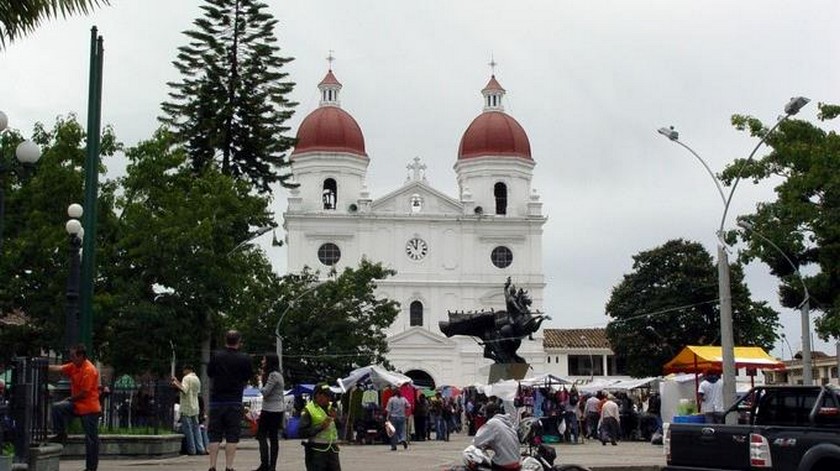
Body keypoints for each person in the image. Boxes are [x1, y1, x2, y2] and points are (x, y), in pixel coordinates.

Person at [48, 343, 101, 471]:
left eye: (73, 355)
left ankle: (91, 468)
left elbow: (84, 393)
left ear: (81, 355)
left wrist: (70, 399)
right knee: (57, 407)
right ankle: (61, 434)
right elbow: (60, 368)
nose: (71, 358)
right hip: (78, 405)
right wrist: (44, 366)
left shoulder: (89, 370)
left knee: (91, 440)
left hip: (89, 408)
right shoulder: (74, 366)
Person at [207, 330, 253, 471]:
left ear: (225, 340)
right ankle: (229, 466)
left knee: (214, 435)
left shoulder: (216, 356)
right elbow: (247, 376)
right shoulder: (244, 358)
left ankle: (212, 466)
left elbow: (209, 373)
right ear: (239, 341)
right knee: (232, 435)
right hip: (234, 401)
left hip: (216, 400)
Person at [299, 383, 341, 471]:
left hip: (332, 450)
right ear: (318, 395)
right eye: (326, 396)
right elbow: (302, 432)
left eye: (329, 396)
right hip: (316, 451)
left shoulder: (331, 408)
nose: (329, 399)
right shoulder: (308, 410)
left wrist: (337, 419)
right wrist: (320, 427)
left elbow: (340, 427)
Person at [255, 354, 284, 471]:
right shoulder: (278, 375)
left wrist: (260, 381)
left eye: (264, 359)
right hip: (275, 410)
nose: (262, 361)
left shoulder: (273, 375)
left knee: (262, 436)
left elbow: (265, 392)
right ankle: (270, 465)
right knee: (273, 438)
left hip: (270, 410)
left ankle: (266, 464)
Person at [472, 402, 520, 470]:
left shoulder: (493, 422)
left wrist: (487, 445)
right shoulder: (507, 422)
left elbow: (477, 441)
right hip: (516, 461)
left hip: (504, 464)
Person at [171, 364, 206, 455]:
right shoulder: (197, 379)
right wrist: (178, 381)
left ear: (188, 370)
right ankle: (200, 448)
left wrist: (175, 384)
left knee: (188, 430)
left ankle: (192, 450)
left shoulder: (186, 378)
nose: (183, 372)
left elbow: (184, 389)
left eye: (184, 370)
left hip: (186, 407)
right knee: (196, 428)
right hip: (195, 406)